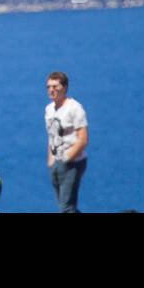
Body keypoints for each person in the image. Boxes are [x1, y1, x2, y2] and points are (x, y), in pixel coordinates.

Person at [45, 71, 88, 213]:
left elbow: (83, 139)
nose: (51, 90)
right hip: (56, 162)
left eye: (55, 87)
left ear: (65, 88)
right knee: (66, 206)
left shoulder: (74, 108)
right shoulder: (49, 109)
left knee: (66, 207)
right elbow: (51, 136)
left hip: (72, 162)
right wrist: (51, 161)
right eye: (49, 87)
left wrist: (67, 159)